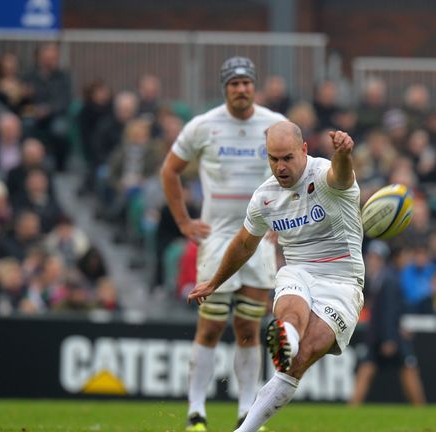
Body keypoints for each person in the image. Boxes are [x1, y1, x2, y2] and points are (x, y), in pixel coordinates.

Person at [188, 121, 365, 432]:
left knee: (302, 357)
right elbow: (244, 243)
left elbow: (341, 175)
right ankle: (286, 337)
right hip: (298, 270)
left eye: (287, 158)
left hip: (342, 282)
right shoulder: (265, 197)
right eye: (273, 158)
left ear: (304, 151)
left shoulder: (325, 175)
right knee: (291, 310)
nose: (280, 167)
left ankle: (289, 344)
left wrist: (343, 154)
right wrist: (215, 282)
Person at [160, 56, 286, 432]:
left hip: (259, 238)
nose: (242, 88)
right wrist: (183, 221)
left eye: (247, 82)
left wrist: (282, 218)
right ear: (225, 88)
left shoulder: (274, 125)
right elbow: (170, 170)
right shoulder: (203, 126)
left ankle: (248, 412)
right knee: (211, 326)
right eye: (234, 83)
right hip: (216, 238)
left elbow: (291, 172)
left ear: (254, 86)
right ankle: (196, 413)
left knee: (249, 326)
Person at [349, 241, 426, 406]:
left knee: (408, 369)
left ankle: (421, 408)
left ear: (383, 260)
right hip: (379, 335)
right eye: (370, 257)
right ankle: (351, 408)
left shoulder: (388, 279)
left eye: (376, 258)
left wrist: (389, 338)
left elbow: (390, 311)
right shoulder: (375, 279)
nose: (372, 261)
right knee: (368, 369)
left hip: (390, 335)